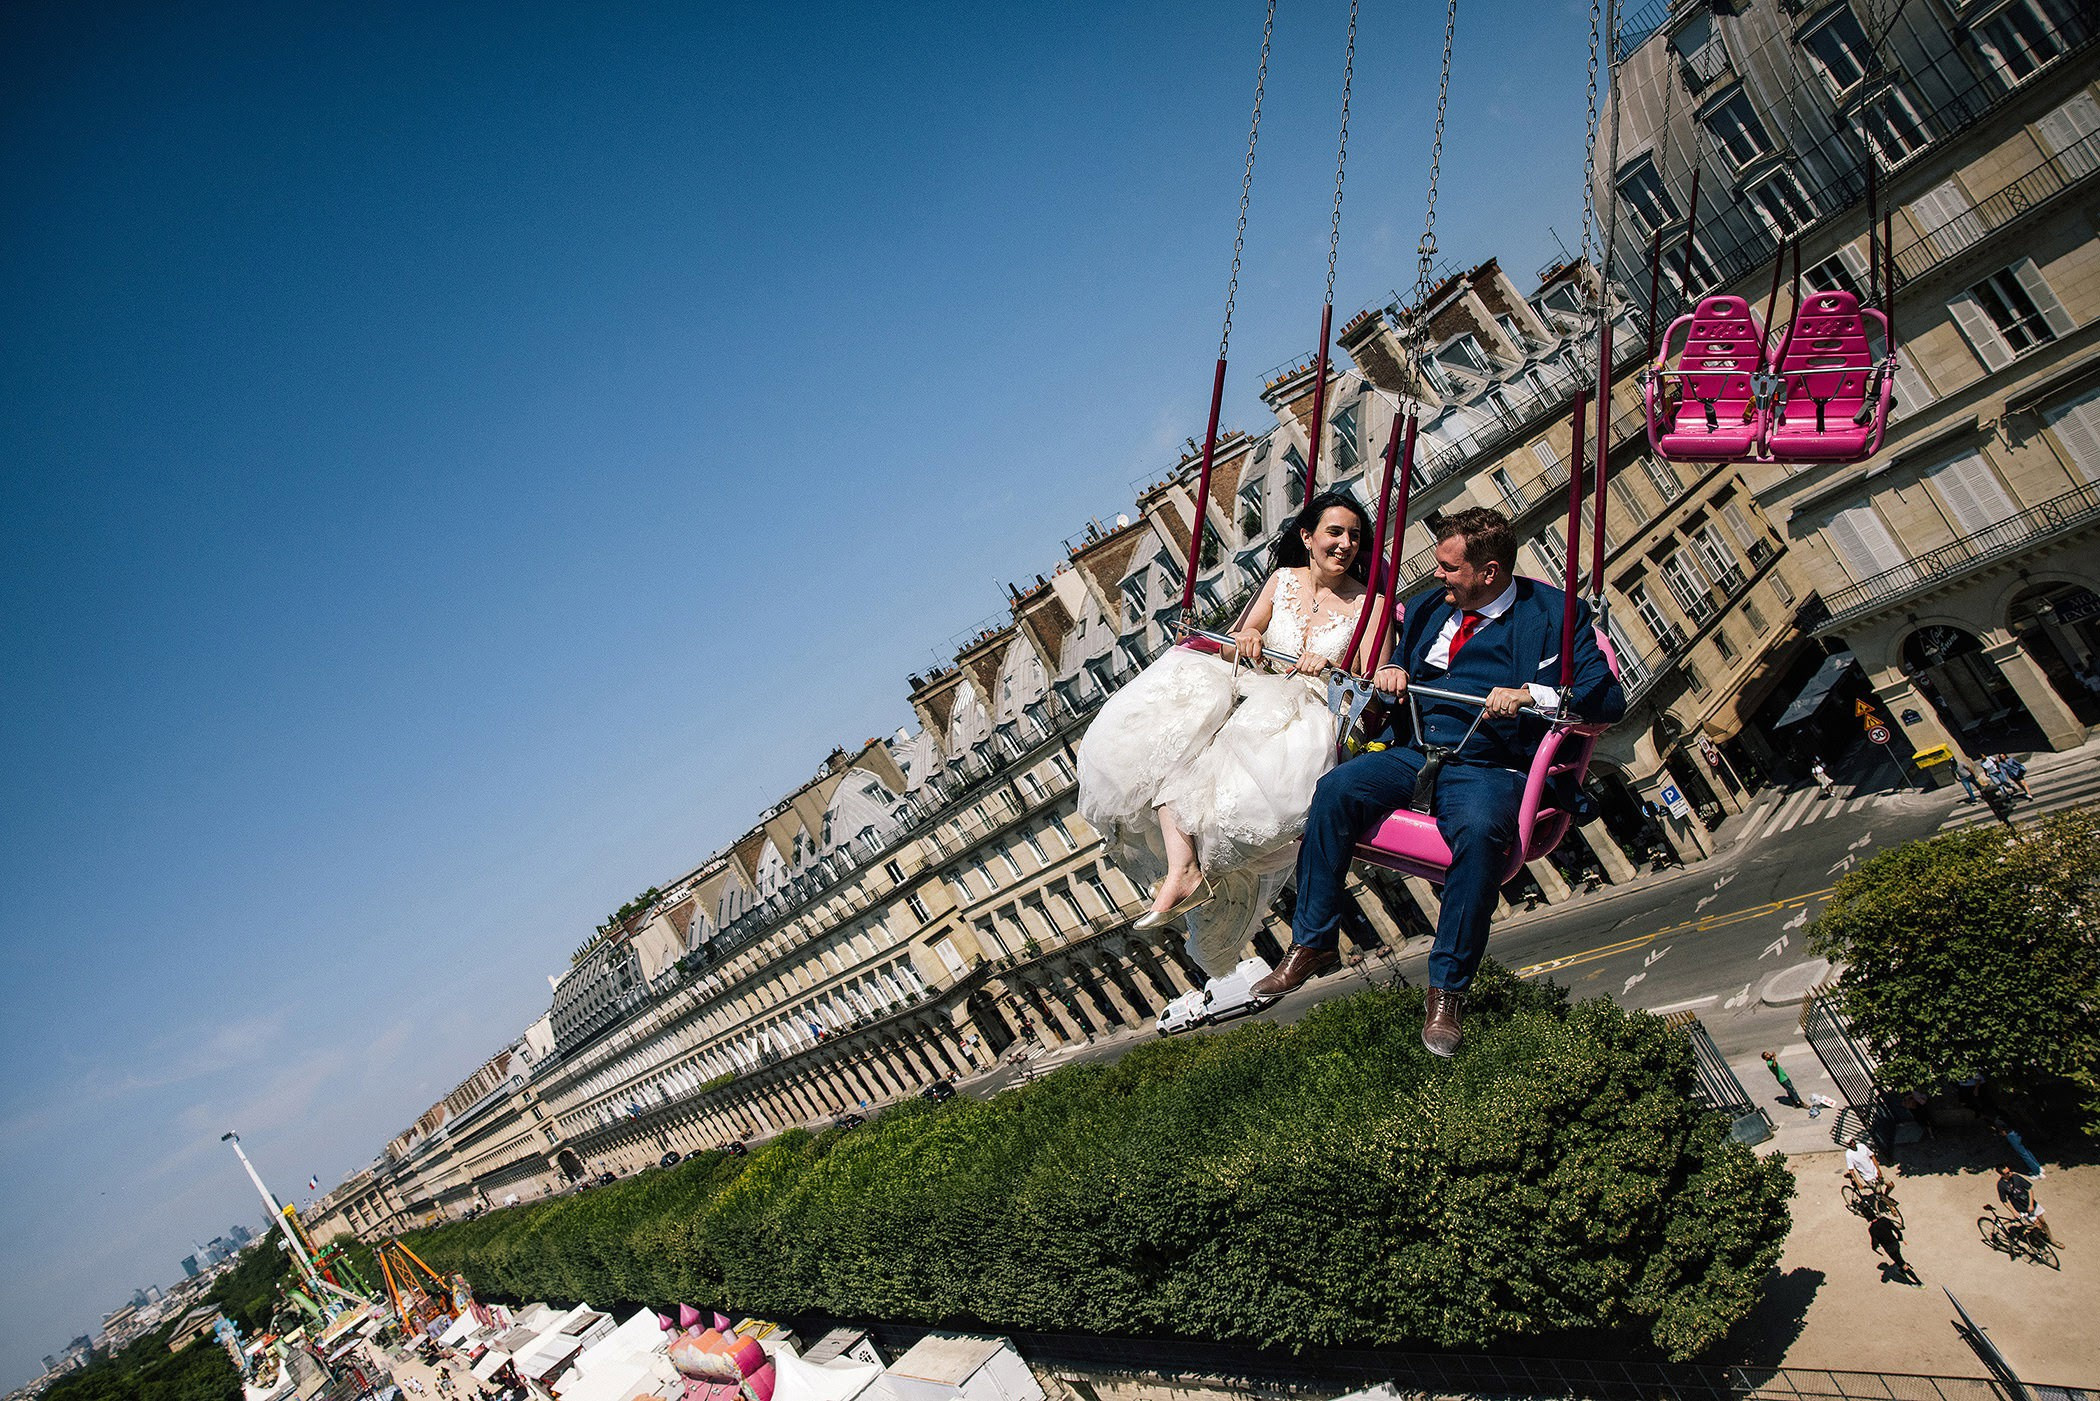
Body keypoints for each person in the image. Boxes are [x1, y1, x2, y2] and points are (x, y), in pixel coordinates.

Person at [1250, 507, 1625, 1054]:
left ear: (1489, 571)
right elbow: (1393, 671)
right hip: (1415, 747)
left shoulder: (1554, 614)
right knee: (1334, 793)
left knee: (1478, 836)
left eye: (1450, 568)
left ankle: (1447, 988)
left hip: (1488, 763)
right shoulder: (1428, 607)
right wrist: (1391, 674)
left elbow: (1604, 697)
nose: (1437, 576)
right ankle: (1313, 942)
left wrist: (1531, 696)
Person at [1079, 492, 1383, 968]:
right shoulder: (1282, 581)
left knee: (1233, 789)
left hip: (1311, 708)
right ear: (1308, 537)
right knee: (1173, 762)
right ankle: (1183, 870)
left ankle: (1194, 872)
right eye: (1335, 532)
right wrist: (1248, 637)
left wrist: (1329, 666)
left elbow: (1372, 678)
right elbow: (1231, 645)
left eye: (1355, 536)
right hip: (1256, 690)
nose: (1345, 544)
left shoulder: (1370, 604)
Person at [1996, 1165, 2053, 1244]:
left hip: (2031, 1204)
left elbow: (2029, 1189)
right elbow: (2004, 1200)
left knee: (2043, 1222)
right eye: (2007, 1173)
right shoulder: (2001, 1185)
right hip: (2022, 1208)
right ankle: (2033, 1237)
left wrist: (2031, 1204)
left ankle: (2051, 1239)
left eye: (2010, 1171)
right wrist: (2014, 1212)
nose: (2010, 1173)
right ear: (2002, 1175)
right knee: (2037, 1225)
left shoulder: (2016, 1177)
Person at [1868, 1213, 1918, 1284]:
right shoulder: (1884, 1220)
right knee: (1898, 1258)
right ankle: (1902, 1268)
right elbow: (1895, 1229)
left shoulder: (1872, 1229)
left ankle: (1918, 1282)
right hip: (1895, 1244)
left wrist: (1874, 1248)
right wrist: (1900, 1238)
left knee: (1901, 1263)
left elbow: (1875, 1242)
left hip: (1889, 1249)